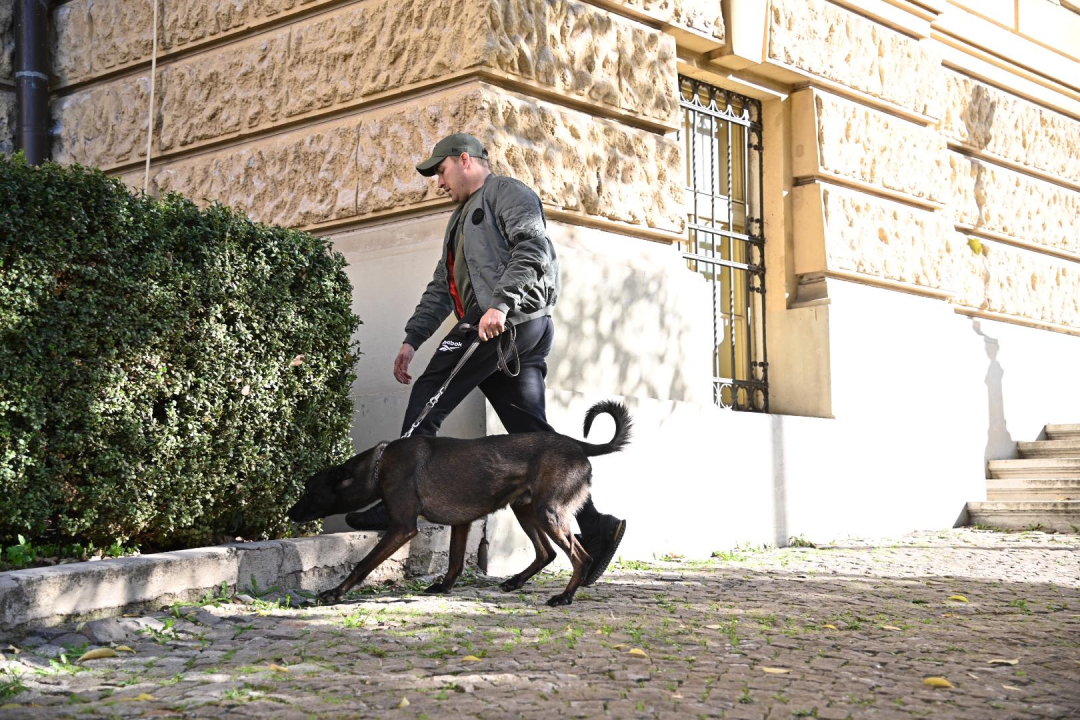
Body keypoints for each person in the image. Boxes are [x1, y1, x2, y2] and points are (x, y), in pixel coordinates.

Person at [345, 132, 625, 586]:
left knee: (430, 391)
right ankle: (597, 527)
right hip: (508, 322)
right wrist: (413, 337)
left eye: (441, 171)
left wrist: (500, 304)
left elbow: (533, 249)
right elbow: (442, 287)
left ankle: (395, 498)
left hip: (504, 321)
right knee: (532, 436)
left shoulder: (508, 194)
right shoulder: (459, 220)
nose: (438, 181)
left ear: (465, 160)